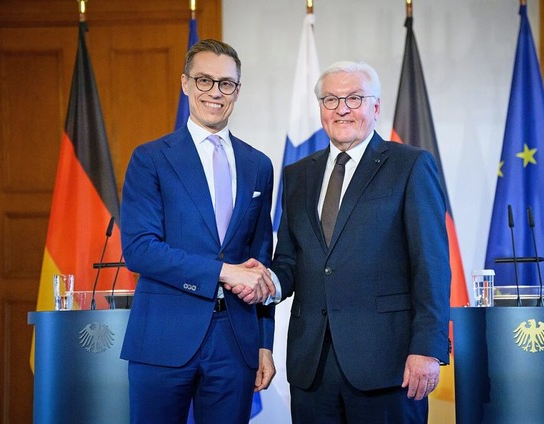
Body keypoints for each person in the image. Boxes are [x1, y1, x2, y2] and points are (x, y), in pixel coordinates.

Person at [241, 61, 451, 423]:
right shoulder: (298, 174)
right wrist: (268, 282)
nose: (342, 109)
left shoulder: (410, 165)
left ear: (376, 107)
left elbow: (431, 263)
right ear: (320, 109)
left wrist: (427, 349)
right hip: (312, 367)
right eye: (331, 99)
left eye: (354, 98)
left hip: (388, 364)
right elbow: (290, 258)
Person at [120, 39, 276, 424]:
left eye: (226, 84)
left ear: (237, 91)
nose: (215, 92)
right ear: (185, 84)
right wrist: (223, 272)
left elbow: (261, 262)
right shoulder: (150, 158)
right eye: (204, 80)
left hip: (235, 341)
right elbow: (140, 249)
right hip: (162, 337)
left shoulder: (259, 165)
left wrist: (264, 345)